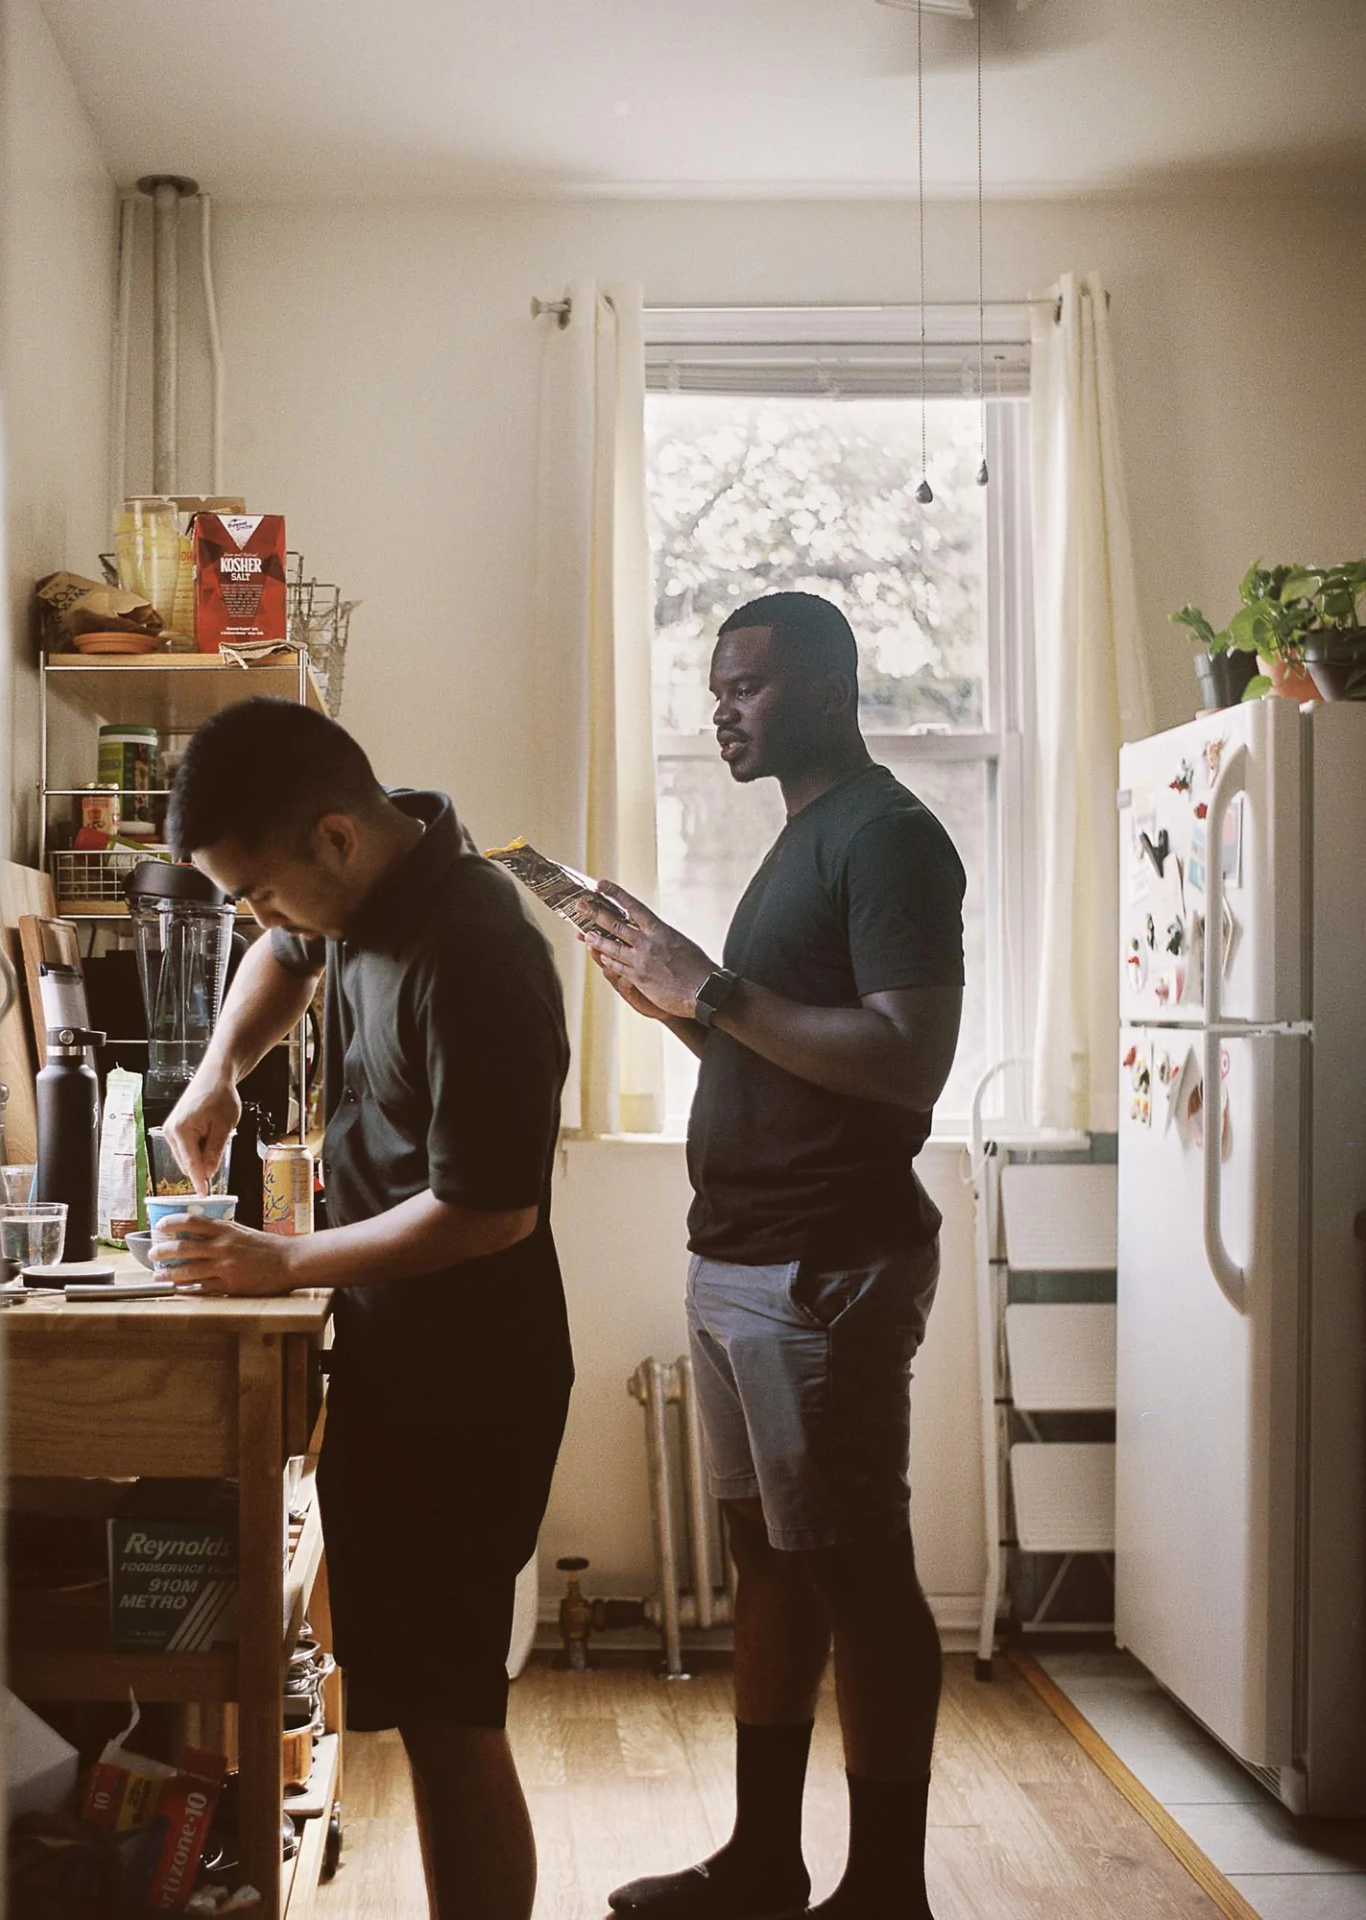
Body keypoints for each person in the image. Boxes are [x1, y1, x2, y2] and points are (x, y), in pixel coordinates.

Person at [154, 698, 573, 1920]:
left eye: (265, 890)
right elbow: (285, 957)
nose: (262, 920)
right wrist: (216, 1070)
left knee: (451, 1723)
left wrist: (284, 1265)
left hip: (474, 1385)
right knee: (419, 1709)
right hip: (399, 1356)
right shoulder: (367, 883)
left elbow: (493, 1213)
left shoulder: (480, 953)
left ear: (335, 837)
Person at [583, 593, 965, 1920]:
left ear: (819, 686)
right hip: (741, 1256)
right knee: (771, 1563)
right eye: (714, 688)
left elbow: (907, 1060)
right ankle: (762, 1862)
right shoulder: (803, 838)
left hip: (823, 1266)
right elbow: (786, 1049)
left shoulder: (891, 837)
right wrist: (676, 1000)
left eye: (743, 687)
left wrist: (718, 990)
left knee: (861, 1571)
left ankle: (888, 1892)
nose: (721, 711)